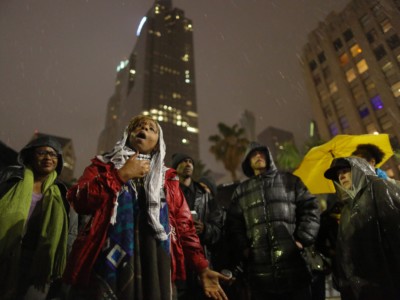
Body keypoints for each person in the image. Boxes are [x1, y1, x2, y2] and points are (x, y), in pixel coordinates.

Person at [63, 115, 228, 300]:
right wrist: (120, 175)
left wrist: (202, 267)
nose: (145, 129)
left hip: (156, 263)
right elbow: (79, 200)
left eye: (152, 129)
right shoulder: (103, 166)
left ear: (158, 142)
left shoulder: (168, 179)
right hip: (107, 263)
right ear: (128, 135)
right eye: (139, 126)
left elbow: (184, 226)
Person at [226, 141, 320, 300]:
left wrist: (301, 240)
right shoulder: (241, 191)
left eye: (261, 152)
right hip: (259, 273)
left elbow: (311, 208)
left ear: (269, 156)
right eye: (253, 154)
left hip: (293, 267)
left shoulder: (290, 181)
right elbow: (234, 224)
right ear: (248, 161)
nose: (258, 156)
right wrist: (244, 248)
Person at [0, 136, 69, 300]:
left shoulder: (62, 193)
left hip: (35, 261)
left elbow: (70, 232)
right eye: (42, 152)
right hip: (4, 253)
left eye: (53, 155)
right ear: (30, 155)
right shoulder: (10, 177)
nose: (48, 158)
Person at [324, 156, 400, 300]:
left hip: (388, 282)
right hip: (366, 288)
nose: (341, 176)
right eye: (338, 174)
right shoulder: (347, 209)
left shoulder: (379, 188)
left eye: (346, 170)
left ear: (359, 170)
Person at [171, 153, 224, 300]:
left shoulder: (207, 196)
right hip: (177, 261)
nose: (188, 164)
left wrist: (205, 229)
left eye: (190, 161)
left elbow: (219, 229)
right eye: (183, 161)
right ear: (175, 167)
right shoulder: (169, 191)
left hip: (203, 261)